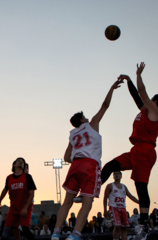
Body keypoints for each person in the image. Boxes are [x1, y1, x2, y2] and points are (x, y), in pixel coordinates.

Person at [51, 79, 123, 240]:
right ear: (82, 120)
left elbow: (65, 157)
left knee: (66, 202)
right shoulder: (93, 124)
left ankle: (55, 232)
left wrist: (79, 158)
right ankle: (75, 234)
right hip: (89, 164)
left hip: (75, 165)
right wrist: (111, 88)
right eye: (85, 116)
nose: (87, 117)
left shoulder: (72, 134)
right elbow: (105, 106)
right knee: (87, 202)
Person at [101, 62, 158, 232]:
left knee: (140, 187)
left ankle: (144, 224)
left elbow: (142, 93)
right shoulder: (145, 111)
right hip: (135, 150)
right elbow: (137, 97)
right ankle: (91, 190)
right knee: (110, 166)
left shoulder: (154, 112)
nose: (147, 100)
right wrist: (129, 80)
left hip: (146, 152)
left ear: (155, 102)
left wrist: (138, 75)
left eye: (151, 99)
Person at [0, 157, 37, 240]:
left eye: (22, 162)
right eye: (19, 161)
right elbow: (5, 190)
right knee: (6, 234)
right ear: (14, 164)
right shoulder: (9, 178)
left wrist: (25, 208)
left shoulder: (27, 177)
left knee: (25, 229)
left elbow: (32, 194)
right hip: (13, 208)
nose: (21, 162)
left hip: (25, 207)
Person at [103, 171, 139, 240]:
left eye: (118, 174)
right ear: (113, 176)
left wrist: (139, 202)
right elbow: (105, 198)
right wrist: (105, 210)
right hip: (114, 208)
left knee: (124, 227)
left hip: (123, 208)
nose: (116, 175)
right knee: (117, 226)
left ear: (121, 176)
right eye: (115, 174)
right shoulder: (110, 186)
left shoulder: (124, 187)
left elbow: (130, 196)